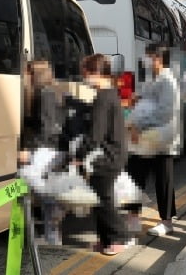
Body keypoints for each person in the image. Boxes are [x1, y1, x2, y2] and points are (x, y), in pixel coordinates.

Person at [76, 54, 129, 256]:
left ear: (96, 73)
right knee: (99, 198)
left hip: (108, 155)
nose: (85, 79)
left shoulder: (103, 98)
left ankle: (119, 237)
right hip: (113, 153)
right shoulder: (109, 94)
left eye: (86, 74)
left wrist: (80, 154)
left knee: (103, 199)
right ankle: (105, 239)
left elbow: (95, 135)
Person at [126, 43, 180, 237]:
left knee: (163, 179)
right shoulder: (152, 80)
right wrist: (136, 99)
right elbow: (146, 102)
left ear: (158, 58)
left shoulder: (168, 81)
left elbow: (165, 112)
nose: (145, 60)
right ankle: (133, 216)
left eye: (148, 56)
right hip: (145, 140)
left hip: (161, 139)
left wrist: (140, 126)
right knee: (134, 173)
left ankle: (166, 221)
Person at [19, 60, 67, 245]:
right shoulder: (53, 91)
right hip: (55, 147)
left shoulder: (45, 94)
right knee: (47, 189)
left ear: (34, 75)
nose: (24, 77)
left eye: (27, 73)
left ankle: (57, 208)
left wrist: (28, 151)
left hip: (49, 148)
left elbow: (47, 128)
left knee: (26, 176)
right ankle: (52, 237)